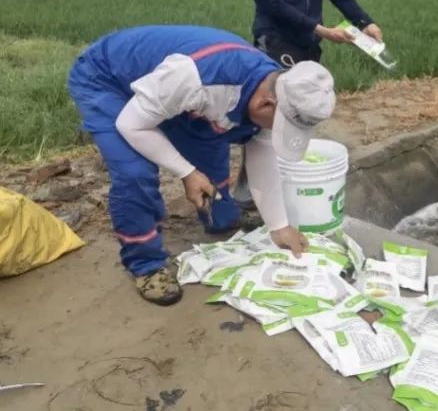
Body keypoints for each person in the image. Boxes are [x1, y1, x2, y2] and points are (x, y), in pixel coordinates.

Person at [67, 25, 335, 305]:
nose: (276, 131)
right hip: (109, 79)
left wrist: (279, 226)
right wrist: (186, 172)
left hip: (168, 93)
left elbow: (263, 154)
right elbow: (131, 125)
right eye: (280, 126)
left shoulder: (277, 89)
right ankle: (146, 265)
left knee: (211, 150)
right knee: (135, 172)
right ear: (265, 105)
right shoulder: (198, 78)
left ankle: (220, 218)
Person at [235, 0, 383, 205]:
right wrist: (320, 29)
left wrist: (364, 23)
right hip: (276, 44)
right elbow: (274, 4)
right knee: (269, 119)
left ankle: (287, 184)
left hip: (307, 44)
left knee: (299, 115)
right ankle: (248, 193)